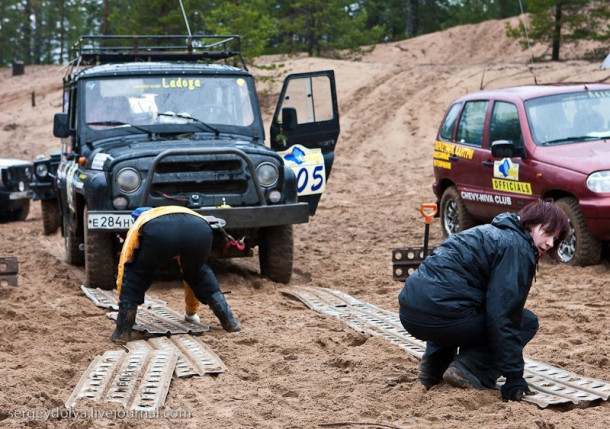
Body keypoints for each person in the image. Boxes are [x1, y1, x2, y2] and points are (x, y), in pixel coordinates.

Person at [398, 200, 569, 402]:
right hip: (442, 317)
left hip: (410, 312)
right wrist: (514, 376)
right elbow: (504, 316)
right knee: (525, 321)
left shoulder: (487, 232)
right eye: (547, 234)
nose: (550, 243)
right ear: (530, 224)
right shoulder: (517, 247)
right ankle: (469, 370)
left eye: (555, 239)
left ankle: (433, 370)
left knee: (453, 304)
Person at [110, 205, 241, 345]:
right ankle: (230, 322)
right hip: (201, 229)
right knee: (197, 272)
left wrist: (123, 298)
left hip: (160, 232)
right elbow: (188, 276)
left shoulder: (142, 220)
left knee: (135, 273)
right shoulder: (177, 213)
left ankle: (122, 332)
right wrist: (191, 313)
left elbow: (124, 261)